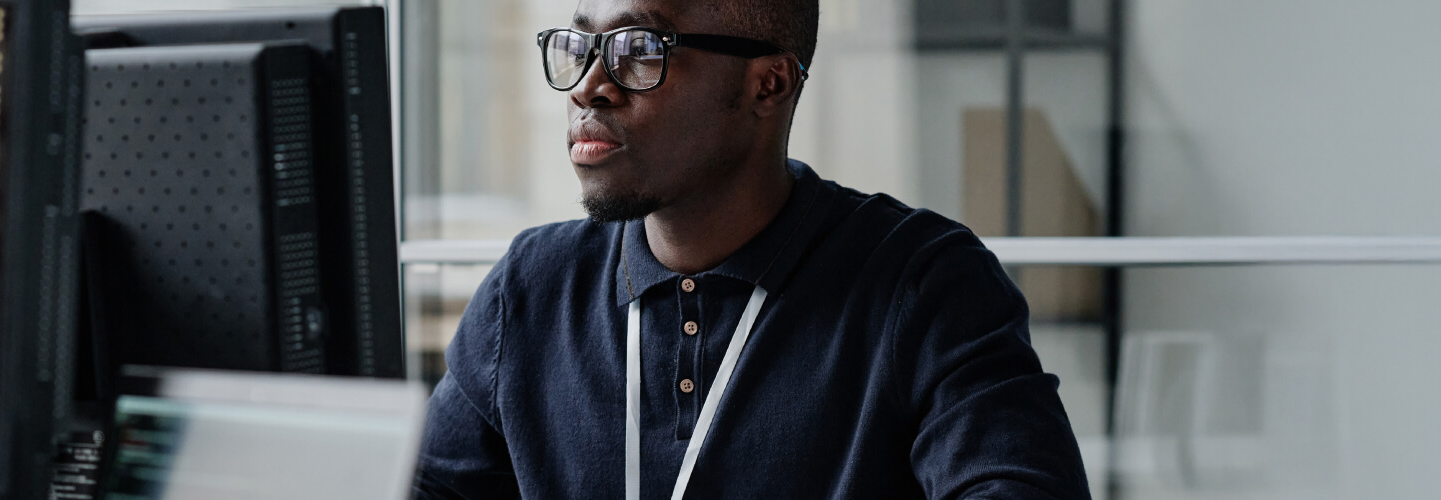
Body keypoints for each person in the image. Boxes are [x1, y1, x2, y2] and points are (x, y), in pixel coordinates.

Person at [415, 0, 1091, 498]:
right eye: (578, 46)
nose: (590, 84)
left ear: (766, 85)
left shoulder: (923, 282)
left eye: (640, 50)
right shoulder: (531, 288)